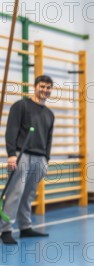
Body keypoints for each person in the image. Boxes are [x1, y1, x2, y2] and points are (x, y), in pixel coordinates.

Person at [1, 75, 54, 245]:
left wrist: (46, 159)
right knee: (15, 193)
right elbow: (11, 130)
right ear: (35, 86)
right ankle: (5, 230)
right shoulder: (21, 106)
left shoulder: (49, 114)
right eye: (42, 86)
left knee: (29, 195)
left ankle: (25, 227)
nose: (45, 90)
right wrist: (11, 154)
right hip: (21, 155)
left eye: (48, 87)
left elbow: (48, 139)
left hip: (40, 158)